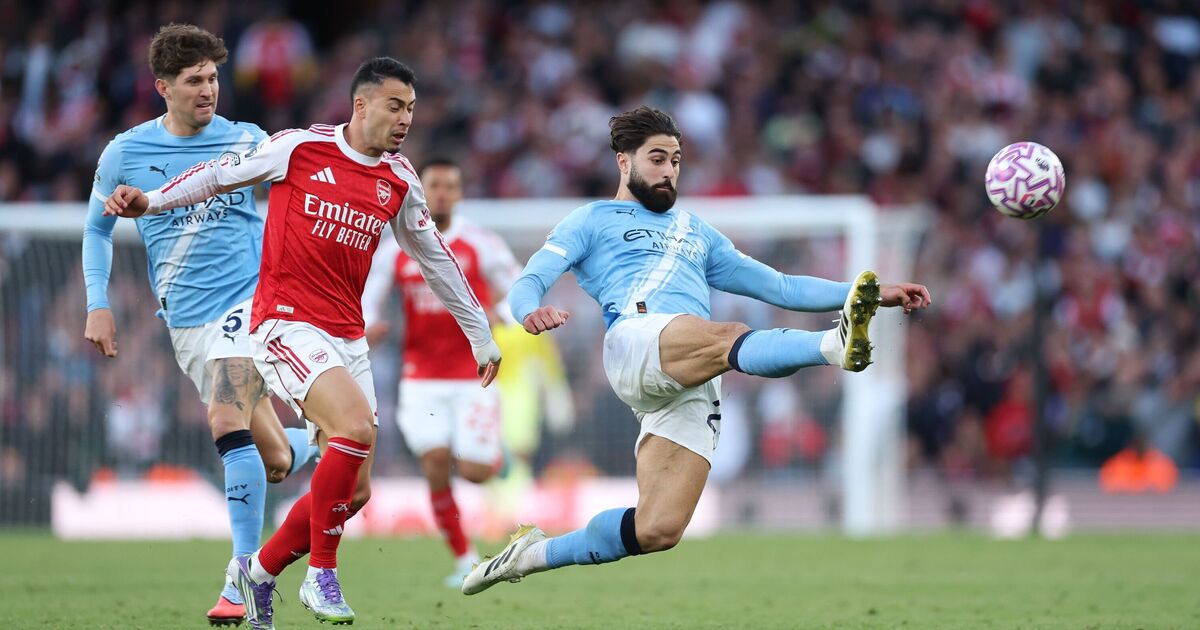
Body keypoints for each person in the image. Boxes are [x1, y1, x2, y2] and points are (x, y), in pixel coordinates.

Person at [461, 107, 932, 595]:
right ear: (624, 161)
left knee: (657, 528)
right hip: (636, 341)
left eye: (676, 160)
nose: (669, 170)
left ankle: (532, 554)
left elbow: (783, 287)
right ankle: (833, 345)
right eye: (657, 159)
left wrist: (865, 292)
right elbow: (528, 281)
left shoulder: (697, 232)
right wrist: (529, 311)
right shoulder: (591, 219)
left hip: (689, 374)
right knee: (728, 334)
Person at [103, 57, 501, 629]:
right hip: (285, 324)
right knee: (355, 429)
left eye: (411, 109)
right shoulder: (299, 147)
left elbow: (435, 259)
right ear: (361, 104)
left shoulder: (399, 178)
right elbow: (218, 174)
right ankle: (322, 573)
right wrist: (151, 201)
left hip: (347, 337)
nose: (405, 119)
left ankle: (258, 573)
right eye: (395, 106)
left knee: (355, 491)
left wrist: (480, 336)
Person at [81, 23, 317, 626]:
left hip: (253, 301)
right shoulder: (125, 153)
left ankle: (243, 578)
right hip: (186, 320)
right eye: (193, 81)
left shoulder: (247, 139)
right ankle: (316, 442)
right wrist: (97, 303)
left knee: (224, 417)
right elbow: (97, 229)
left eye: (212, 78)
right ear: (163, 87)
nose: (208, 89)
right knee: (273, 460)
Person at [362, 158, 521, 587]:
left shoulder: (480, 243)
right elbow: (368, 297)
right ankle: (463, 558)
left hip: (474, 376)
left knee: (474, 472)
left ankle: (495, 457)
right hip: (420, 377)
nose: (443, 193)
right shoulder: (396, 246)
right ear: (421, 190)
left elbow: (518, 290)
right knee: (434, 462)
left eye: (451, 186)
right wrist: (369, 325)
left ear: (460, 193)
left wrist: (501, 314)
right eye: (435, 185)